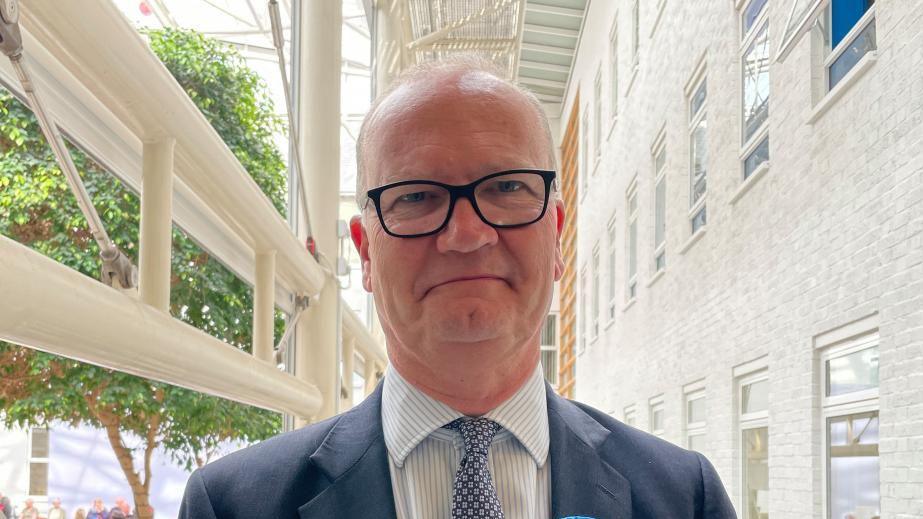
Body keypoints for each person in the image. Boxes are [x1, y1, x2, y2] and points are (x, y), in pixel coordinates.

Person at [179, 57, 737, 518]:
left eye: (508, 186)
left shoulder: (684, 498)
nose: (467, 233)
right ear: (366, 251)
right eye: (416, 196)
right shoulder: (231, 505)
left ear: (557, 234)